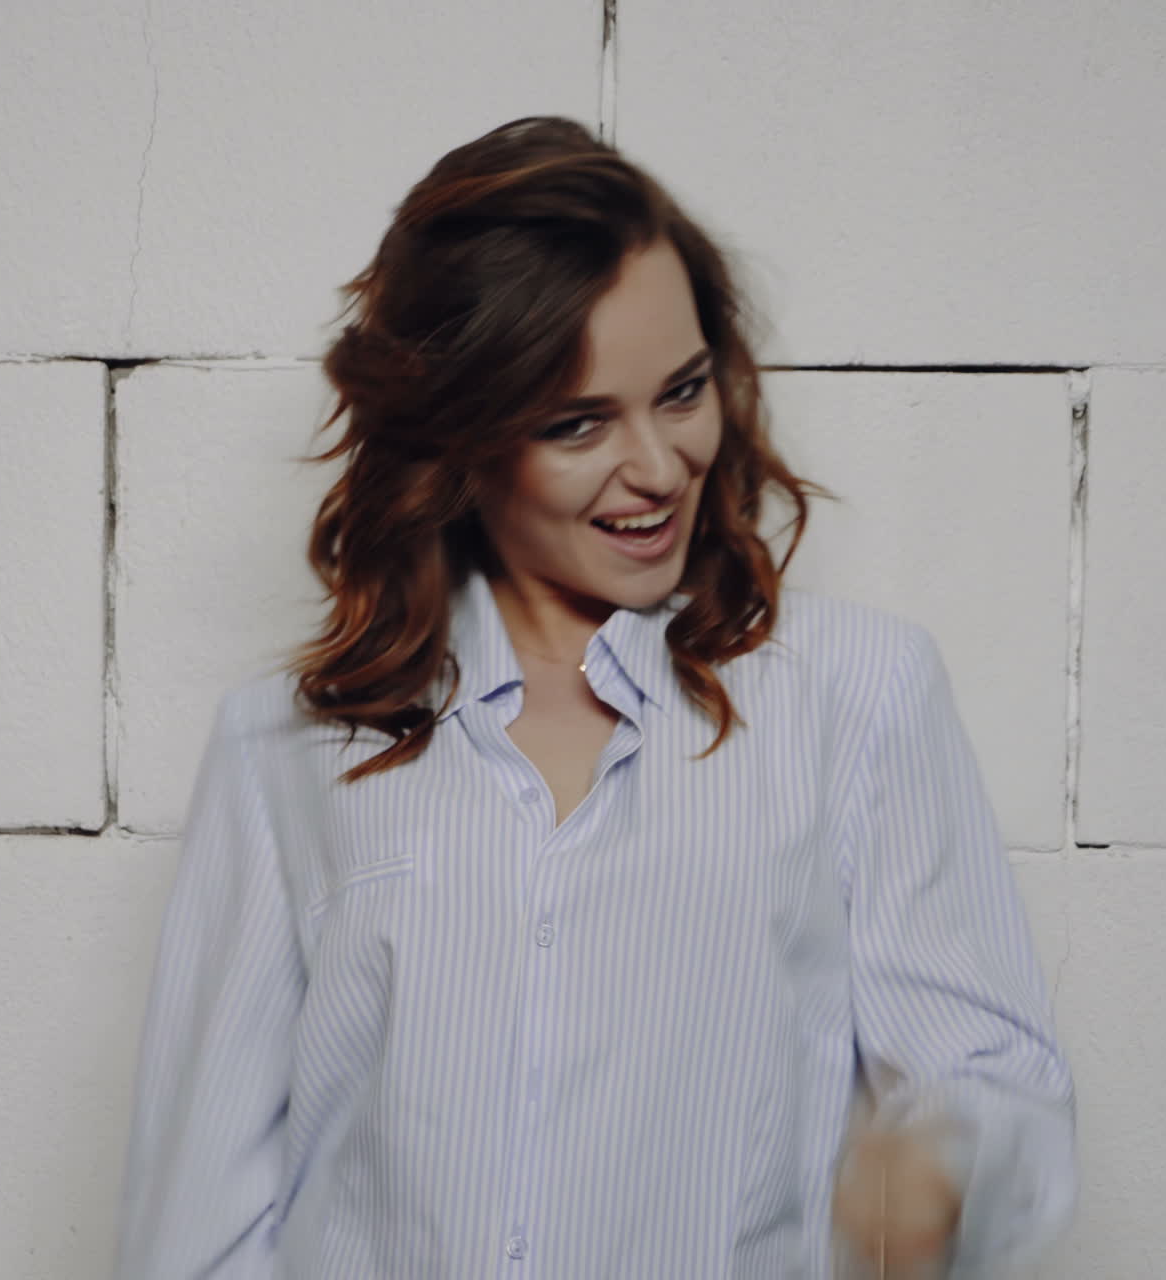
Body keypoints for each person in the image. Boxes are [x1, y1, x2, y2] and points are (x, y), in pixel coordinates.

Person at [113, 117, 1076, 1279]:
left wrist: (940, 1172)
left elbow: (994, 1087)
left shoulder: (855, 697)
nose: (661, 466)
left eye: (679, 392)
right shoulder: (285, 749)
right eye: (576, 423)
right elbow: (196, 1229)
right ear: (459, 442)